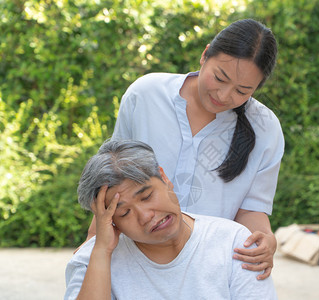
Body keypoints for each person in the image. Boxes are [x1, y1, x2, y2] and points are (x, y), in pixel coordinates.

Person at [85, 18, 284, 280]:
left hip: (208, 271)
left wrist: (266, 240)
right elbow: (111, 184)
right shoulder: (145, 95)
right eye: (220, 78)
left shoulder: (265, 128)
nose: (224, 96)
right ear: (205, 54)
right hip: (133, 261)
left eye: (242, 91)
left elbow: (251, 210)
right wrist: (91, 250)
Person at [65, 140, 278, 299]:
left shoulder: (233, 242)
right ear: (110, 221)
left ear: (164, 179)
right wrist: (101, 251)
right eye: (124, 213)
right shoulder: (91, 260)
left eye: (147, 196)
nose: (146, 215)